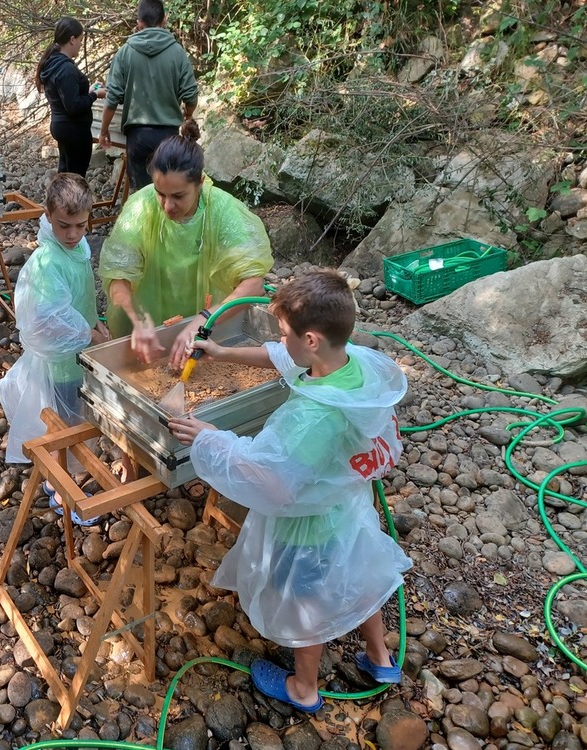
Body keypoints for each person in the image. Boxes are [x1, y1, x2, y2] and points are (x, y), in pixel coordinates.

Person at [168, 270, 412, 713]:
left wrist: (209, 437)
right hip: (349, 510)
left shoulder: (313, 419)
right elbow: (285, 358)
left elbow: (272, 481)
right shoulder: (353, 362)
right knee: (357, 575)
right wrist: (223, 351)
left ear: (313, 339)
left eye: (284, 333)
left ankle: (304, 688)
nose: (280, 342)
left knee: (309, 600)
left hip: (310, 527)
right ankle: (380, 659)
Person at [97, 122, 274, 373]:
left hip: (211, 324)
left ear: (200, 183)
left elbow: (254, 284)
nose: (167, 206)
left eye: (178, 196)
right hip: (147, 330)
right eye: (160, 193)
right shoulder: (141, 207)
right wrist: (136, 321)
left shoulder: (224, 211)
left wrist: (202, 321)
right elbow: (118, 275)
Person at [0, 173, 110, 525]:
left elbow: (76, 299)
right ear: (47, 215)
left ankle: (59, 479)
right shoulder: (47, 264)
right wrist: (89, 335)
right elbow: (45, 320)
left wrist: (94, 323)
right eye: (64, 226)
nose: (74, 234)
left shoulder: (76, 248)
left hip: (79, 353)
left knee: (75, 418)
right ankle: (62, 490)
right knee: (66, 425)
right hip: (63, 362)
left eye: (80, 225)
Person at [98, 0, 198, 190]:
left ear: (139, 22)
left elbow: (112, 98)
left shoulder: (125, 52)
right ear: (165, 20)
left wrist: (104, 131)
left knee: (141, 196)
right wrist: (189, 114)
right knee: (167, 192)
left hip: (138, 136)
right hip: (168, 135)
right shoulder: (177, 52)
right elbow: (191, 95)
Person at [36, 17, 107, 179]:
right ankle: (72, 204)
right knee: (75, 177)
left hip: (61, 125)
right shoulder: (66, 69)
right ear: (72, 40)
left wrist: (89, 91)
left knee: (65, 174)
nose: (81, 45)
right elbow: (73, 106)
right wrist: (95, 94)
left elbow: (67, 96)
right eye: (81, 40)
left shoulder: (52, 64)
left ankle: (60, 202)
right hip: (74, 130)